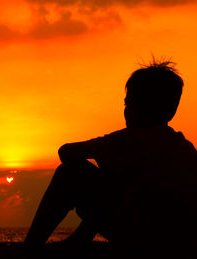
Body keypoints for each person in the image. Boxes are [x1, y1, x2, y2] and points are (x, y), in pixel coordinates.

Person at [24, 59, 197, 257]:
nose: (125, 109)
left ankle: (31, 248)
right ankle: (78, 241)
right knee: (116, 179)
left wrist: (106, 161)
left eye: (128, 102)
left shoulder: (125, 141)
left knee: (71, 172)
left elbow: (66, 152)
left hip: (141, 238)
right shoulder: (185, 148)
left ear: (136, 106)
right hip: (180, 243)